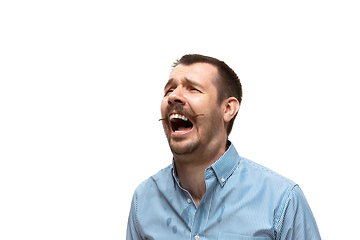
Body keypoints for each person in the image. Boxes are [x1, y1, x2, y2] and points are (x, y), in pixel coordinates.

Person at [126, 54, 321, 240]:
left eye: (192, 88)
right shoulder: (143, 199)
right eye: (169, 90)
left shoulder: (282, 199)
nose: (174, 97)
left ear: (228, 109)